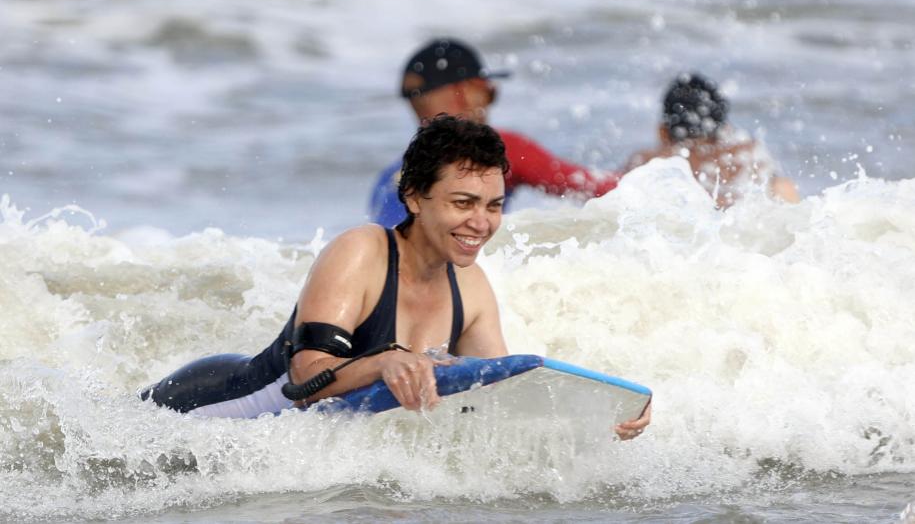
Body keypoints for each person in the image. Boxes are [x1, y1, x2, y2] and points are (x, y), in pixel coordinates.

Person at [142, 115, 651, 440]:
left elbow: (498, 399)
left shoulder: (470, 287)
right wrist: (384, 362)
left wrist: (597, 419)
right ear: (413, 198)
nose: (482, 223)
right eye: (462, 203)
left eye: (494, 206)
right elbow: (304, 379)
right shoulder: (362, 252)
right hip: (211, 407)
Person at [370, 38, 622, 228]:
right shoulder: (495, 149)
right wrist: (649, 173)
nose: (488, 102)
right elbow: (593, 188)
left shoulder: (390, 177)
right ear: (466, 90)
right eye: (488, 92)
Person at [624, 72, 800, 209]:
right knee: (782, 187)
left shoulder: (648, 161)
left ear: (662, 132)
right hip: (741, 228)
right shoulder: (748, 154)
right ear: (725, 129)